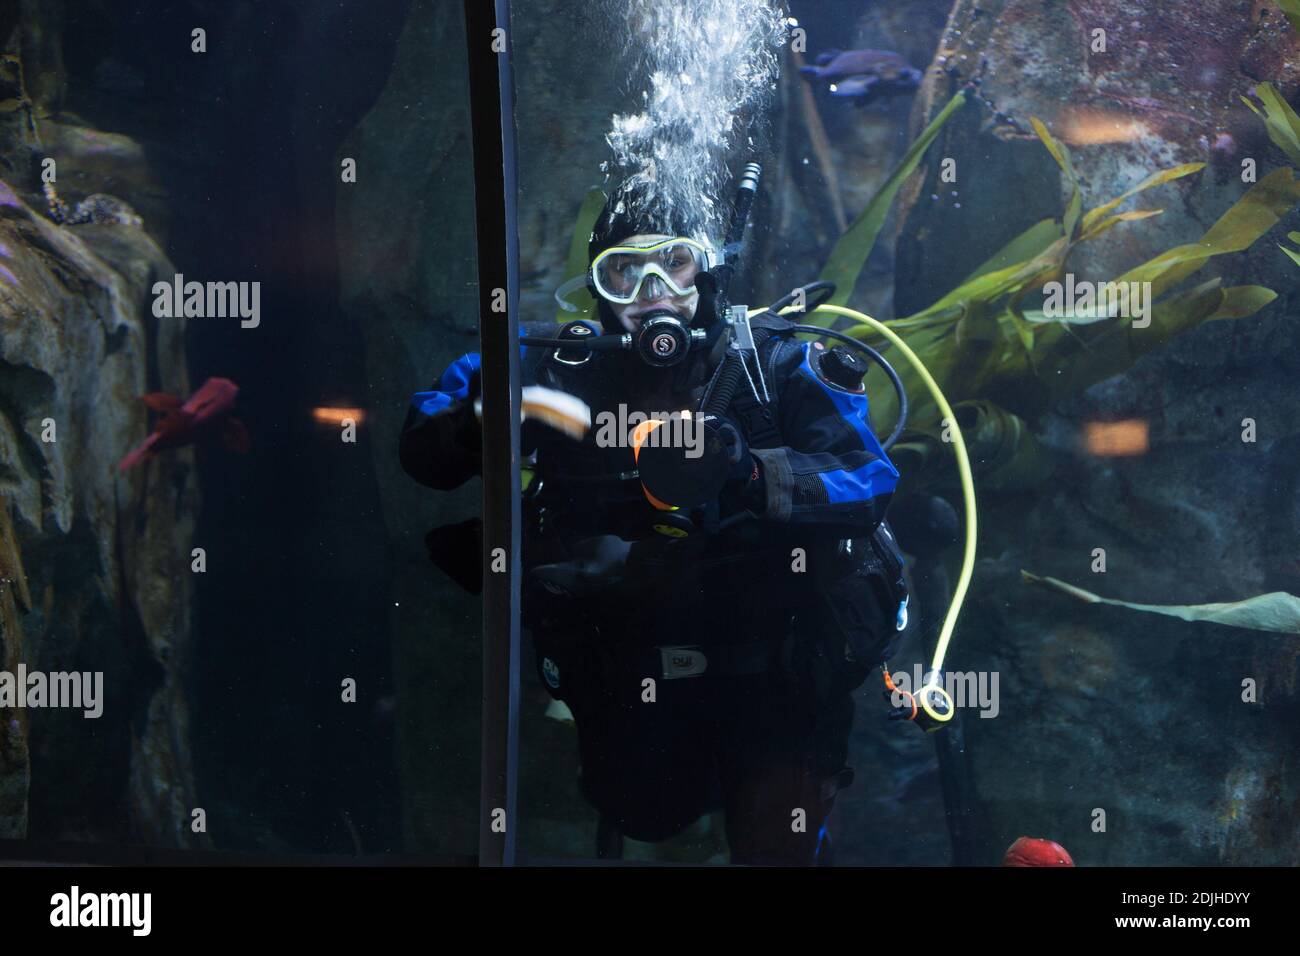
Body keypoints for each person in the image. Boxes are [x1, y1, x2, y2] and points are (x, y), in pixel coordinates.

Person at [399, 178, 909, 865]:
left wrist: (750, 474)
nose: (652, 290)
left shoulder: (775, 362)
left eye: (674, 262)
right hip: (627, 665)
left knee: (776, 844)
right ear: (596, 285)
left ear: (707, 268)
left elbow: (870, 479)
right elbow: (423, 449)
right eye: (623, 271)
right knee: (643, 813)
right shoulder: (552, 368)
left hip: (777, 673)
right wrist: (476, 423)